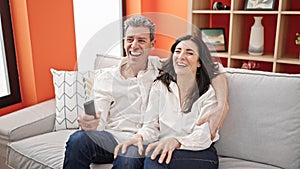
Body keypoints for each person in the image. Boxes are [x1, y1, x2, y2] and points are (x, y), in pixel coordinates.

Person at [63, 15, 227, 169]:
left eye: (141, 40)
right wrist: (90, 123)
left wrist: (222, 103)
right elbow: (97, 116)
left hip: (146, 142)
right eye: (130, 40)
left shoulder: (160, 68)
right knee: (78, 139)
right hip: (115, 137)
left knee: (129, 155)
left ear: (152, 44)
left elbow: (214, 69)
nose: (134, 46)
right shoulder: (107, 78)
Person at [115, 34, 220, 169]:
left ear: (199, 62)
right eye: (178, 51)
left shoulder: (208, 93)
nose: (181, 57)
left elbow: (204, 135)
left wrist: (177, 141)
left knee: (156, 158)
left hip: (199, 152)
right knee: (128, 153)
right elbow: (151, 125)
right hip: (163, 145)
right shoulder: (160, 86)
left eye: (189, 53)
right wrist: (139, 137)